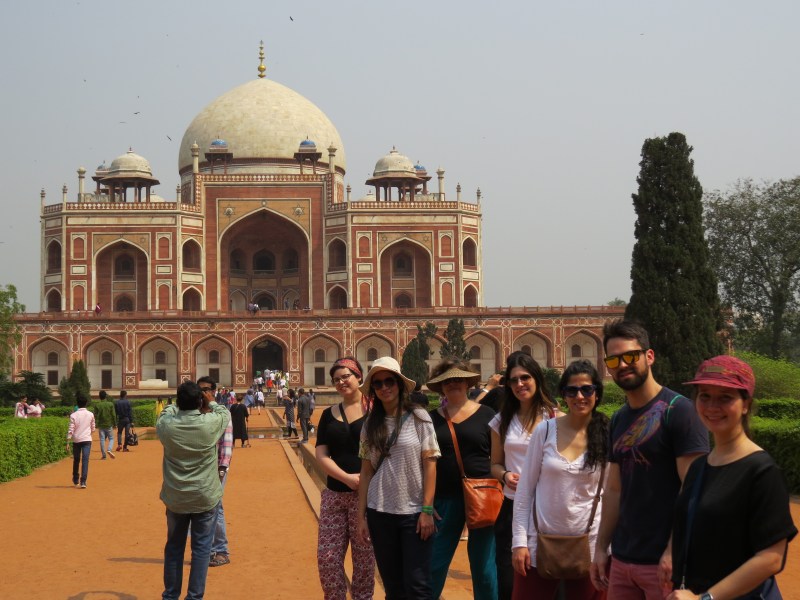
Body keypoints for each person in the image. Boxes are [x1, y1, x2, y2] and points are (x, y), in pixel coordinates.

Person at [590, 320, 709, 599]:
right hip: (623, 558)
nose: (622, 365)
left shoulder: (679, 412)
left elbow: (693, 488)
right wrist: (600, 548)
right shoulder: (619, 418)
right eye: (614, 359)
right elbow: (615, 490)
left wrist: (673, 549)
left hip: (663, 563)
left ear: (649, 356)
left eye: (630, 356)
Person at [663, 356, 797, 599]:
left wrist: (707, 598)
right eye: (705, 396)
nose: (712, 406)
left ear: (746, 404)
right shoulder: (700, 466)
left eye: (725, 397)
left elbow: (771, 558)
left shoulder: (761, 471)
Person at [511, 359, 609, 599]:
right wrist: (519, 542)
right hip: (539, 544)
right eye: (571, 390)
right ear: (563, 394)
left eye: (587, 389)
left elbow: (611, 495)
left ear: (597, 393)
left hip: (589, 546)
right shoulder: (545, 431)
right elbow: (525, 491)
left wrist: (606, 548)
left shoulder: (608, 433)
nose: (579, 396)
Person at [357, 356, 440, 599]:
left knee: (417, 585)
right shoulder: (369, 425)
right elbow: (366, 471)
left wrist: (427, 509)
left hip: (413, 512)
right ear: (373, 389)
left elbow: (431, 465)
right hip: (380, 511)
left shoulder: (420, 418)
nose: (384, 388)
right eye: (378, 384)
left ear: (400, 384)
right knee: (393, 586)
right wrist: (361, 516)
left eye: (389, 381)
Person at [490, 351, 561, 599]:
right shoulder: (501, 421)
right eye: (514, 380)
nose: (520, 384)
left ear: (537, 379)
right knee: (510, 580)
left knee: (551, 577)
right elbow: (495, 464)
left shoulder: (555, 417)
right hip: (513, 506)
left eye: (525, 378)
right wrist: (505, 474)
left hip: (548, 508)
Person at [426, 358, 498, 600]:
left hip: (482, 495)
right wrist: (425, 503)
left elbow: (499, 456)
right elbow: (424, 461)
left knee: (484, 569)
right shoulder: (431, 419)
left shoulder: (487, 414)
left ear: (468, 382)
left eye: (458, 379)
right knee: (434, 564)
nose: (453, 384)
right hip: (444, 498)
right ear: (441, 386)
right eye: (448, 380)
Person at [157, 380, 229, 600]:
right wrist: (210, 400)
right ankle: (194, 597)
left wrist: (176, 405)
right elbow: (224, 411)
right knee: (201, 551)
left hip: (176, 496)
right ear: (200, 401)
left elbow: (165, 413)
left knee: (174, 548)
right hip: (205, 495)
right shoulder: (211, 423)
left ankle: (170, 596)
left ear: (178, 402)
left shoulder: (166, 426)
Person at [315, 357, 376, 600]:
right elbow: (321, 453)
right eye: (336, 379)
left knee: (364, 561)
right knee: (327, 558)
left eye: (346, 376)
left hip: (368, 497)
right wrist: (347, 478)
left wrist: (363, 480)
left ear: (359, 376)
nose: (341, 382)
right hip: (335, 495)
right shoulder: (328, 414)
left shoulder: (376, 411)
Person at [197, 376, 234, 569]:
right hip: (198, 470)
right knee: (199, 509)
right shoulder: (194, 413)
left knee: (215, 508)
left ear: (214, 391)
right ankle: (207, 550)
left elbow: (226, 444)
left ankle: (220, 551)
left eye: (207, 389)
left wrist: (222, 470)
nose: (203, 393)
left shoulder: (222, 413)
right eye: (200, 390)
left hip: (216, 469)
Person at [66, 392, 96, 488]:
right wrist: (88, 433)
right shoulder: (90, 414)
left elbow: (71, 429)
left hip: (76, 440)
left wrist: (67, 441)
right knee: (85, 460)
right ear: (86, 403)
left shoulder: (73, 415)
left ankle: (75, 479)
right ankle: (83, 481)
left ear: (77, 404)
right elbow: (93, 428)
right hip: (87, 439)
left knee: (76, 459)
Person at [94, 390, 117, 459]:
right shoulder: (110, 404)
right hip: (109, 424)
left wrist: (96, 424)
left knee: (102, 439)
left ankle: (104, 455)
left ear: (99, 397)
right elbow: (113, 415)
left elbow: (95, 415)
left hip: (101, 425)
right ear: (106, 396)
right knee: (111, 438)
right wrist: (115, 424)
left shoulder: (97, 405)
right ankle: (109, 449)